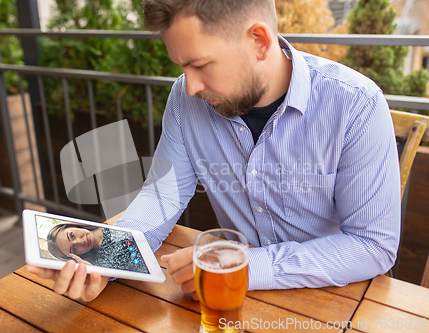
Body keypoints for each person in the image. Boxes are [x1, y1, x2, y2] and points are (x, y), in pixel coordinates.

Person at [27, 0, 400, 302]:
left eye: (201, 65)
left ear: (259, 41)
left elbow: (372, 245)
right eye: (182, 66)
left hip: (335, 301)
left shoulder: (357, 105)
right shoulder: (184, 98)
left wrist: (244, 266)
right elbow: (162, 195)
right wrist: (104, 259)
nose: (190, 87)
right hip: (227, 302)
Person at [46, 221, 149, 272]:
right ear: (78, 255)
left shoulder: (106, 220)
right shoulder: (102, 263)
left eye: (72, 235)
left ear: (72, 226)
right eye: (74, 249)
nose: (80, 241)